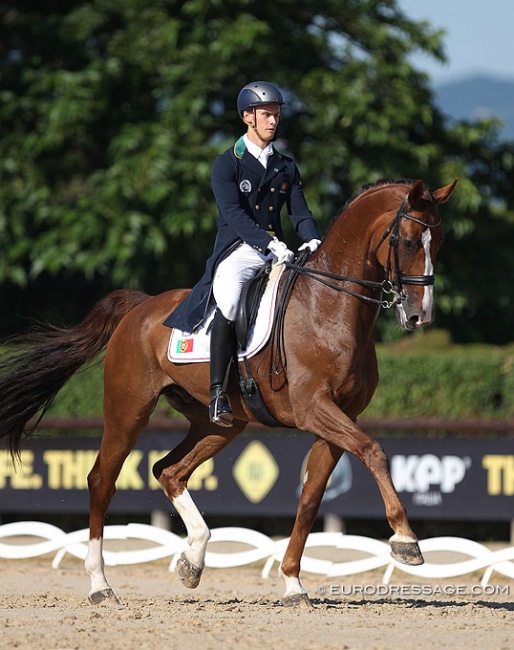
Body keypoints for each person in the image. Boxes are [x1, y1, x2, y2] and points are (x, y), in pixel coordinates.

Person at [164, 81, 321, 427]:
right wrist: (267, 243)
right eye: (266, 114)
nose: (273, 121)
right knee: (232, 302)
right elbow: (233, 215)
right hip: (238, 250)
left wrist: (312, 239)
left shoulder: (286, 167)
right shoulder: (227, 164)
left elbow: (300, 212)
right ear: (248, 117)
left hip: (277, 253)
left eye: (276, 115)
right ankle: (219, 393)